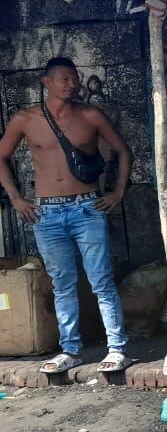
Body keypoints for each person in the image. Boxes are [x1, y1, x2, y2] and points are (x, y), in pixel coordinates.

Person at [0, 57, 132, 375]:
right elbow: (1, 157)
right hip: (47, 211)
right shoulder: (25, 119)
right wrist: (16, 198)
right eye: (64, 78)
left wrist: (117, 192)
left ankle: (117, 348)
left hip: (87, 207)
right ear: (46, 82)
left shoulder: (90, 115)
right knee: (62, 283)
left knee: (101, 280)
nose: (71, 83)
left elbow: (124, 151)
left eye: (74, 78)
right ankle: (70, 350)